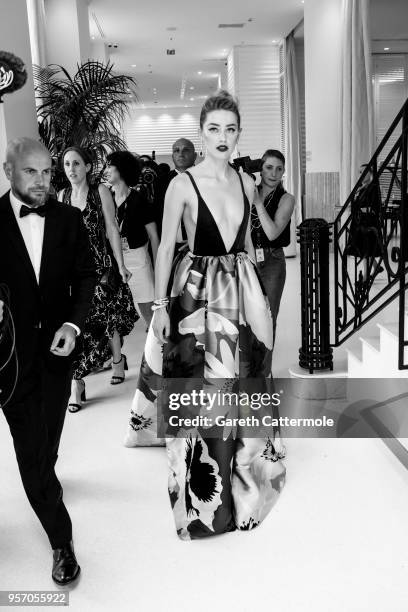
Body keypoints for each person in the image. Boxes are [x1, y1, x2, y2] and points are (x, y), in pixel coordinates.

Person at [124, 91, 286, 540]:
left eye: (230, 128)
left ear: (238, 134)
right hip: (198, 293)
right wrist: (158, 307)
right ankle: (209, 499)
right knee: (205, 391)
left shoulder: (247, 182)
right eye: (213, 128)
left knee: (246, 381)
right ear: (201, 132)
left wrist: (257, 294)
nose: (222, 136)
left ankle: (246, 473)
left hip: (242, 289)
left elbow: (250, 241)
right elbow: (164, 251)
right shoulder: (182, 184)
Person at [0, 137, 96, 584]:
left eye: (46, 172)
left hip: (58, 355)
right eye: (30, 172)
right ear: (8, 172)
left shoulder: (69, 219)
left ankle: (44, 480)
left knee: (48, 439)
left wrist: (72, 326)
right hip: (10, 360)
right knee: (32, 450)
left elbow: (86, 277)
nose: (41, 182)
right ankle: (62, 541)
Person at [58, 147, 138, 411]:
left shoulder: (99, 192)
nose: (72, 169)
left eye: (77, 163)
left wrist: (122, 265)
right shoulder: (61, 196)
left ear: (88, 167)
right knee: (78, 324)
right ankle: (76, 383)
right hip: (74, 274)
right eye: (67, 164)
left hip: (102, 267)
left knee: (107, 317)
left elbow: (112, 229)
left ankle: (117, 360)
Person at [106, 151, 159, 327]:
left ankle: (156, 340)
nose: (105, 170)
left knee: (146, 304)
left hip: (137, 257)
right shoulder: (104, 197)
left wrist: (159, 264)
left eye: (109, 166)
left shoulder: (139, 199)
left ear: (121, 169)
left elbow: (153, 235)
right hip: (113, 258)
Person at [250, 149, 295, 342]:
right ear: (261, 169)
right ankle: (247, 367)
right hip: (248, 258)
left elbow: (272, 232)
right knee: (246, 317)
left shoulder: (287, 199)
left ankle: (264, 369)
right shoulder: (247, 192)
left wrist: (258, 204)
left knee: (268, 317)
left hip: (272, 261)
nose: (274, 173)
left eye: (279, 169)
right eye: (269, 167)